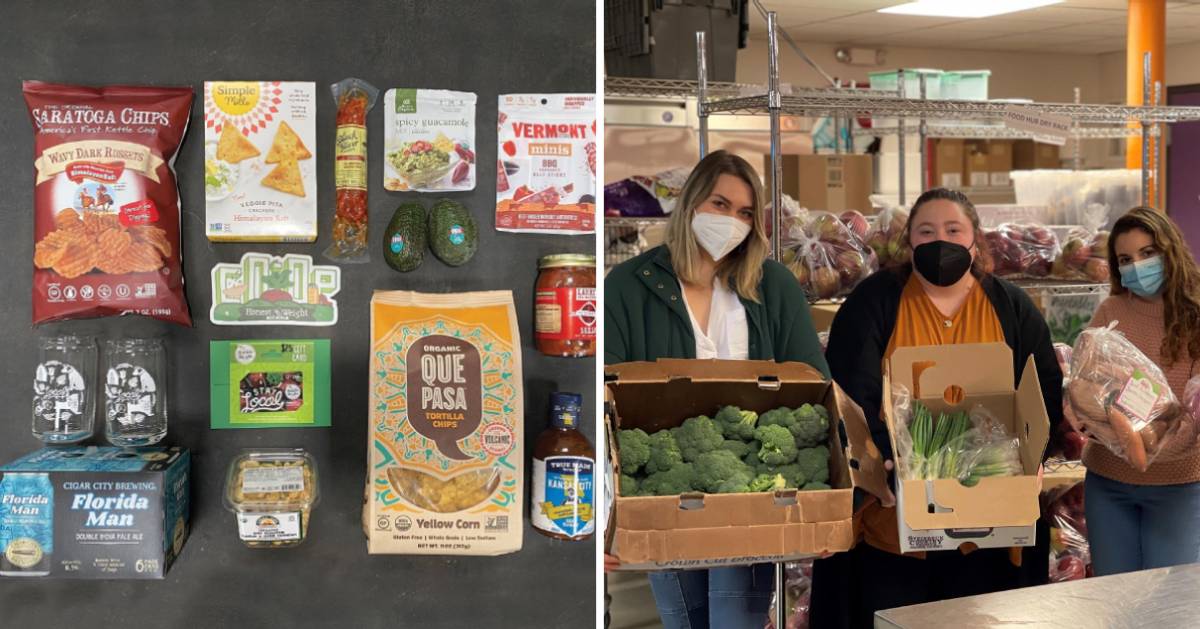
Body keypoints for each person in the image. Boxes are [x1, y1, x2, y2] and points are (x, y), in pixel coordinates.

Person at [809, 188, 1063, 629]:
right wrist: (888, 460)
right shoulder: (875, 301)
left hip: (989, 518)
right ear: (909, 244)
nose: (939, 240)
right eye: (926, 232)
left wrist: (1032, 457)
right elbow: (852, 391)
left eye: (952, 230)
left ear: (974, 240)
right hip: (897, 516)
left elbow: (1042, 390)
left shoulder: (1010, 306)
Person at [604, 150, 827, 629]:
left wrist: (823, 502)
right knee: (683, 621)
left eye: (746, 212)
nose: (732, 221)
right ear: (689, 206)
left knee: (735, 621)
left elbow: (813, 384)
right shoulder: (627, 287)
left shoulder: (774, 287)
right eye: (720, 205)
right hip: (661, 493)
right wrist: (605, 515)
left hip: (748, 489)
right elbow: (607, 402)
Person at [1074, 207, 1200, 576]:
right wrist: (1101, 424)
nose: (1138, 266)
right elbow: (1085, 387)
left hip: (1179, 486)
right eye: (1126, 259)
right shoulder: (1111, 312)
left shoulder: (1196, 316)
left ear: (1170, 251)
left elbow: (1194, 415)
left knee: (1169, 607)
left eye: (1148, 254)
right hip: (1109, 485)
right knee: (1116, 602)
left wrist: (1145, 448)